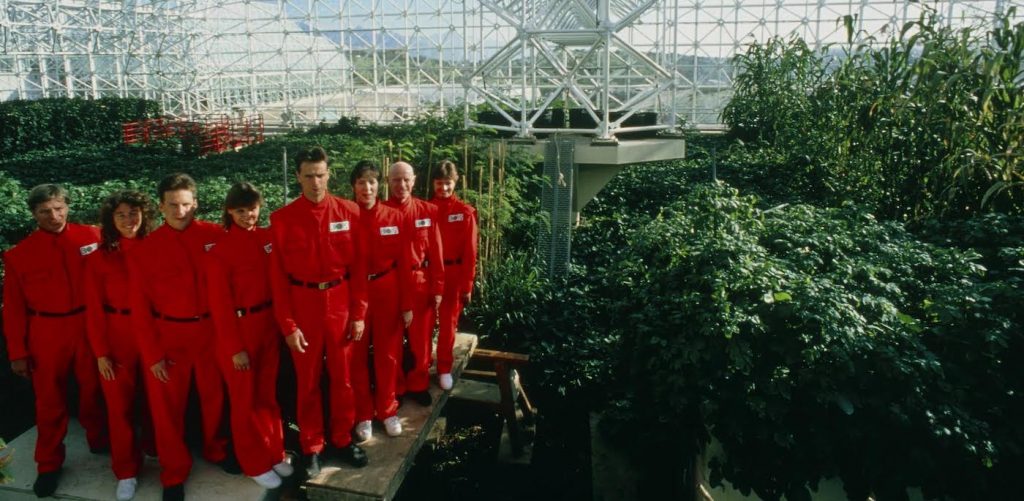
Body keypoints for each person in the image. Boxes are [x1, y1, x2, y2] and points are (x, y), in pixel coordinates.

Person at [128, 173, 233, 501]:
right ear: (160, 206)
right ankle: (173, 470)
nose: (180, 210)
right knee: (166, 409)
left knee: (214, 397)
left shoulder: (216, 236)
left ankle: (216, 449)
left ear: (196, 203)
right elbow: (139, 309)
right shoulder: (146, 250)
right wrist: (151, 354)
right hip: (168, 336)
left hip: (210, 333)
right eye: (173, 204)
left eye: (186, 204)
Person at [2, 184, 109, 497]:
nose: (54, 216)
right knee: (49, 401)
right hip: (46, 332)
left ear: (67, 206)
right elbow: (14, 310)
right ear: (34, 214)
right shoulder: (19, 255)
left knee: (94, 387)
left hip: (88, 326)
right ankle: (48, 463)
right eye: (45, 211)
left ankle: (98, 436)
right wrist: (18, 352)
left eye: (59, 208)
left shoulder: (94, 236)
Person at [269, 146, 369, 478]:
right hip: (303, 305)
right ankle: (312, 446)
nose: (315, 182)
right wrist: (288, 325)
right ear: (298, 177)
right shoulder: (282, 220)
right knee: (307, 381)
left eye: (321, 174)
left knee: (343, 378)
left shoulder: (349, 212)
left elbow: (359, 269)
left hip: (340, 302)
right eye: (309, 175)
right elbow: (278, 280)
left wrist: (358, 313)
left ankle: (341, 439)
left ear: (329, 174)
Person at [205, 182, 292, 489]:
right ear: (229, 211)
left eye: (252, 209)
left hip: (267, 326)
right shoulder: (220, 252)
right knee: (245, 402)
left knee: (267, 396)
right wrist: (234, 348)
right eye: (240, 211)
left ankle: (274, 452)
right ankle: (253, 462)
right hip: (240, 333)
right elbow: (220, 307)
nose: (248, 216)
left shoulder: (267, 238)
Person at [84, 190, 156, 501]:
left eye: (134, 212)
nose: (129, 220)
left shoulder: (157, 248)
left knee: (159, 402)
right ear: (111, 221)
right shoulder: (99, 258)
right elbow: (93, 309)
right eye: (121, 215)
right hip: (117, 333)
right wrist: (101, 352)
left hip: (156, 333)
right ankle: (125, 470)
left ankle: (159, 452)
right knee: (119, 406)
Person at [349, 161, 414, 441]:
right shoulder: (346, 216)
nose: (367, 187)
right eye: (362, 182)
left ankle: (387, 410)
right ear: (354, 186)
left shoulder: (394, 217)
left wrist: (407, 304)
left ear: (380, 185)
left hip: (387, 288)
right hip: (354, 292)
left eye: (372, 182)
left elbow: (405, 264)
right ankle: (363, 414)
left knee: (388, 355)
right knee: (357, 357)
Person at [384, 161, 444, 406]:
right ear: (388, 182)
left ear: (415, 180)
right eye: (396, 180)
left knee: (421, 340)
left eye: (406, 179)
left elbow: (437, 252)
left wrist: (438, 287)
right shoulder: (381, 212)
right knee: (392, 340)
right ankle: (395, 386)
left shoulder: (427, 211)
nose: (402, 185)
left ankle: (418, 383)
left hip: (420, 282)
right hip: (390, 284)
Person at [429, 160, 478, 391]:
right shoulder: (425, 210)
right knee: (425, 322)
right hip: (428, 272)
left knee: (448, 323)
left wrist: (467, 284)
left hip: (454, 273)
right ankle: (423, 364)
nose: (444, 189)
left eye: (447, 184)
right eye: (440, 184)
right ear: (433, 183)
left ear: (455, 182)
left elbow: (471, 252)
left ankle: (444, 368)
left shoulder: (465, 212)